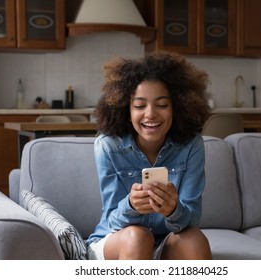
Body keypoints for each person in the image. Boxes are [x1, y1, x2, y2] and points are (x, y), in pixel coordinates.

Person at [86, 50, 213, 260]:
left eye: (162, 105)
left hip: (166, 242)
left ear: (177, 107)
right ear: (126, 109)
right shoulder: (108, 146)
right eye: (139, 105)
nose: (151, 113)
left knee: (195, 239)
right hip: (118, 241)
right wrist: (131, 206)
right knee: (138, 236)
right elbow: (112, 221)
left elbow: (192, 219)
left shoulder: (192, 145)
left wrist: (174, 210)